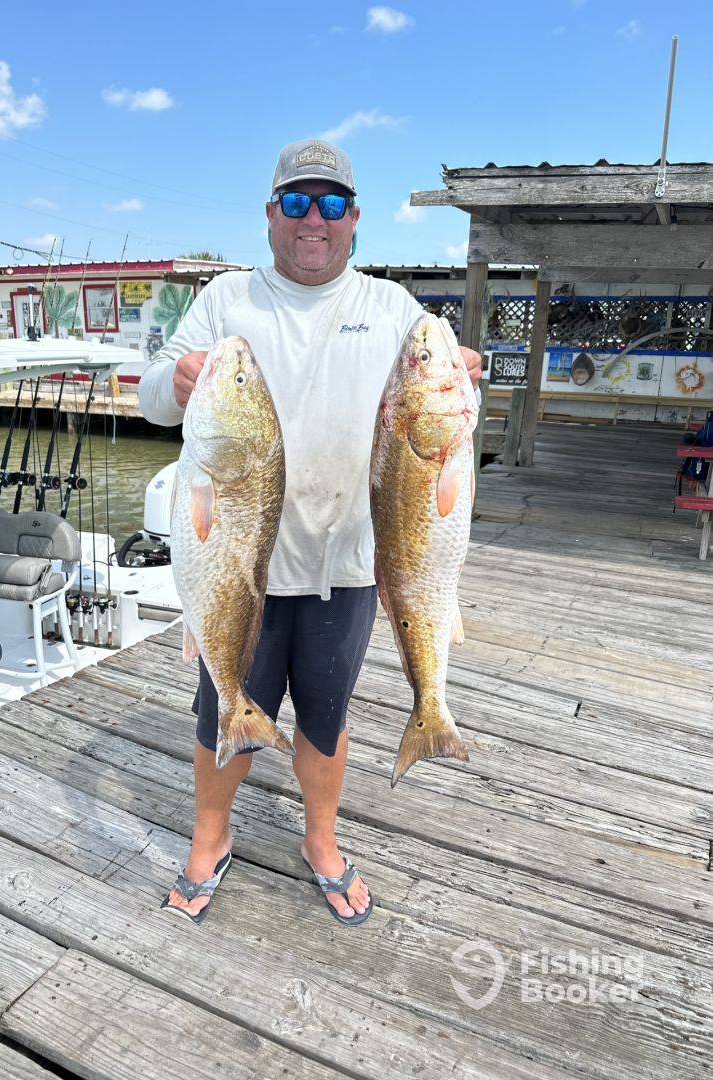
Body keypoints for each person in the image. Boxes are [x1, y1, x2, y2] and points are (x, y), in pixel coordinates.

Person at [139, 138, 482, 926]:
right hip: (238, 565)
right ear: (271, 214)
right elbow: (154, 398)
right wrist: (176, 380)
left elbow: (438, 393)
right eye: (297, 202)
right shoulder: (226, 300)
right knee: (220, 711)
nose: (313, 219)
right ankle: (209, 838)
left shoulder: (391, 307)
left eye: (331, 203)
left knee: (326, 716)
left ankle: (320, 840)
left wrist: (464, 371)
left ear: (355, 218)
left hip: (350, 564)